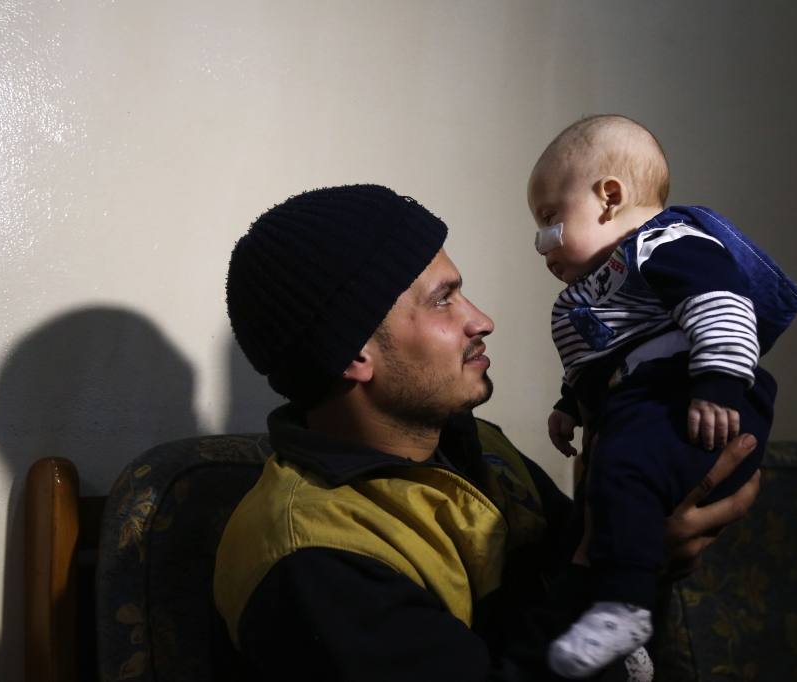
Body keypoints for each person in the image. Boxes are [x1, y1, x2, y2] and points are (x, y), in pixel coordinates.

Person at [212, 183, 763, 681]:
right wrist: (622, 558)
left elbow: (576, 573)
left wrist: (647, 519)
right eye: (442, 300)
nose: (481, 320)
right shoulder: (309, 557)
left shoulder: (477, 444)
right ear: (355, 353)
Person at [527, 115, 797, 678]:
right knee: (595, 511)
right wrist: (567, 404)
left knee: (623, 473)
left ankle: (625, 611)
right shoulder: (601, 285)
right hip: (646, 406)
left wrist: (718, 385)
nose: (540, 245)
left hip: (696, 397)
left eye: (549, 222)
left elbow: (723, 307)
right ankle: (623, 641)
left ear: (610, 197)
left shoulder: (665, 245)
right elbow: (608, 348)